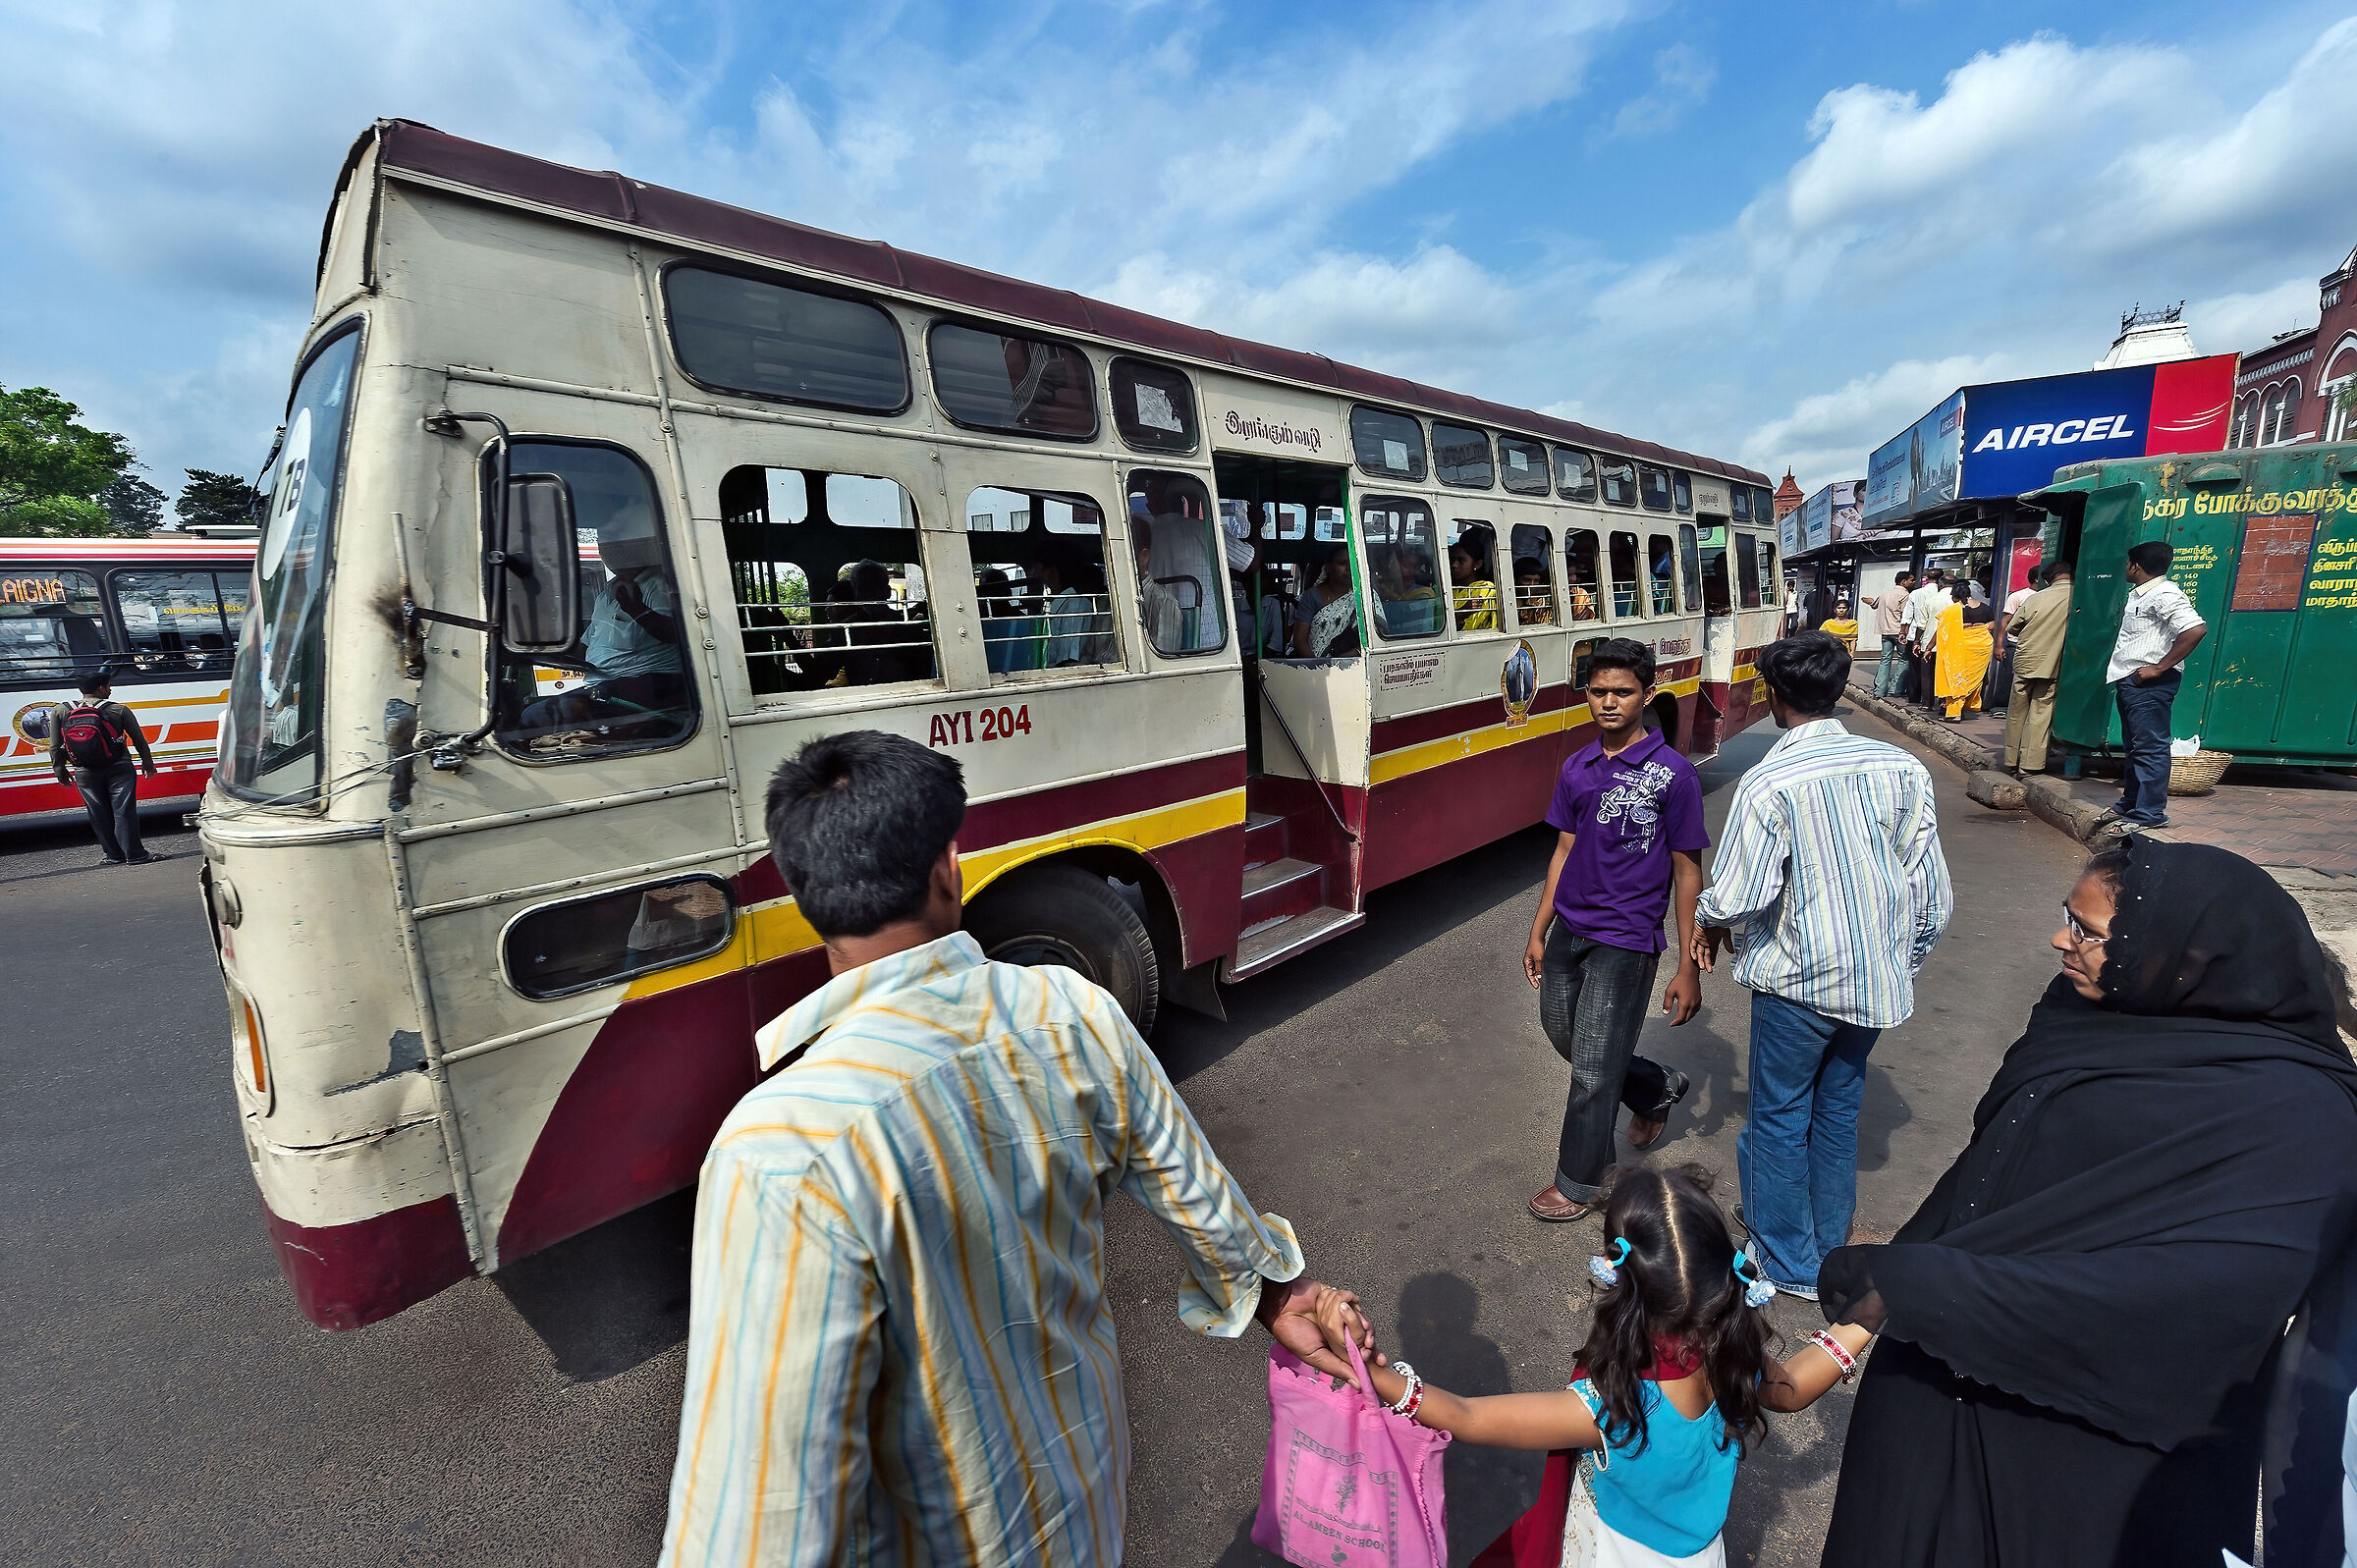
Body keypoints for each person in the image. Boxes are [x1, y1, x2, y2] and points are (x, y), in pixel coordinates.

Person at [662, 731, 1368, 1565]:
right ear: (948, 865)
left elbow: (756, 1522)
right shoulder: (1074, 1012)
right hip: (1085, 1492)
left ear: (805, 896)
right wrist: (1280, 1292)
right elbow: (1198, 1192)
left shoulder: (782, 1154)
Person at [1816, 839, 2357, 1568]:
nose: (2059, 939)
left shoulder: (2300, 1115)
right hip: (1939, 1387)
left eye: (2089, 931)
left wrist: (1933, 1289)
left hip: (2091, 1453)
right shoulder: (2081, 1016)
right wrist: (1873, 1310)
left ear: (2187, 959)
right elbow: (1986, 1174)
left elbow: (2209, 1298)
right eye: (2068, 915)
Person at [1312, 1167, 1876, 1567]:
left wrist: (1371, 1371)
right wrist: (1873, 1310)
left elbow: (1466, 1416)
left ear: (1619, 1288)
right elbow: (1797, 1385)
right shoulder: (1735, 1362)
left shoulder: (1608, 1406)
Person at [1693, 631, 1952, 1298]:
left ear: (1776, 697)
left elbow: (1741, 893)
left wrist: (1706, 919)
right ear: (1836, 690)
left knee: (1780, 1115)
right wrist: (1900, 961)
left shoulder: (1770, 780)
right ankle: (1827, 1248)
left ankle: (1788, 1262)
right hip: (1873, 986)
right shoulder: (1901, 768)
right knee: (1836, 1113)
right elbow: (1931, 892)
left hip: (1799, 984)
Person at [1524, 638, 1708, 1222]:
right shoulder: (1576, 767)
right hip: (1569, 929)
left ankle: (1582, 1180)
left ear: (1646, 695)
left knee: (1592, 1070)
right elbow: (1562, 851)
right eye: (1598, 691)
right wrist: (1539, 926)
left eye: (1622, 692)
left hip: (1627, 939)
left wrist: (1686, 961)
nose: (1609, 702)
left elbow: (1687, 869)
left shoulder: (1672, 775)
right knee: (1566, 1038)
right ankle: (1654, 1085)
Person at [2096, 540, 2207, 836]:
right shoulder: (2142, 594)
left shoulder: (2164, 594)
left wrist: (2158, 668)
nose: (2125, 568)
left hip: (2150, 683)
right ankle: (2132, 802)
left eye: (2127, 563)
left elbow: (2195, 630)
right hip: (2132, 679)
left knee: (2150, 748)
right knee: (2135, 747)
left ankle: (2149, 812)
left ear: (2135, 565)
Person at [49, 670, 158, 865]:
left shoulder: (60, 710)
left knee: (97, 813)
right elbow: (139, 740)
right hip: (119, 767)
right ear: (100, 688)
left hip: (84, 771)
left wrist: (60, 771)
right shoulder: (118, 710)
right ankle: (135, 855)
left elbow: (55, 746)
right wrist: (147, 763)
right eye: (108, 686)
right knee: (124, 812)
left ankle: (114, 856)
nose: (110, 690)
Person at [2001, 562, 2072, 776]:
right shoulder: (2079, 597)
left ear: (2049, 579)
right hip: (2052, 663)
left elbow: (2013, 626)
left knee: (2016, 713)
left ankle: (2011, 760)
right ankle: (2030, 764)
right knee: (2040, 714)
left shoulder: (2035, 598)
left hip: (2026, 660)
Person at [1931, 580, 1995, 723]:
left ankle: (1954, 712)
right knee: (1973, 679)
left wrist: (1928, 648)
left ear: (1954, 596)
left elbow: (1941, 631)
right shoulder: (1985, 608)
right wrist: (1980, 628)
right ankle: (1961, 708)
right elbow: (1992, 625)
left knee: (1956, 678)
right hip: (1982, 648)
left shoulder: (1952, 610)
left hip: (1960, 648)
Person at [1289, 544, 1356, 657]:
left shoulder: (1363, 596)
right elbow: (1300, 640)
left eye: (1353, 563)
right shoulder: (1311, 596)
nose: (1349, 569)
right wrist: (1319, 666)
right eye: (1342, 563)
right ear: (1328, 567)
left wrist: (1348, 656)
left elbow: (1377, 634)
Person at [1904, 568, 1946, 706]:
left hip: (1920, 636)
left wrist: (1905, 633)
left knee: (1918, 671)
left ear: (1926, 578)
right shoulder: (1950, 598)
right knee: (1939, 671)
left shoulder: (1916, 593)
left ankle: (1919, 699)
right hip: (1944, 638)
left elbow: (1908, 617)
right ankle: (1940, 699)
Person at [1871, 572, 1916, 697]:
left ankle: (1880, 690)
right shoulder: (1905, 595)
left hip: (1885, 632)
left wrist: (1869, 601)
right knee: (1904, 659)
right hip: (1899, 632)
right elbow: (1906, 616)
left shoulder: (1885, 594)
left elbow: (1874, 604)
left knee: (1885, 660)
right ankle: (1897, 689)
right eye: (1911, 580)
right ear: (1903, 582)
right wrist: (1905, 633)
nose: (1913, 582)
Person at [1450, 525, 1501, 631]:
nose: (1454, 565)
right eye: (1452, 559)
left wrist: (1464, 612)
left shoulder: (1485, 590)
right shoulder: (1449, 588)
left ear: (1477, 564)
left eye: (1461, 560)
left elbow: (1469, 629)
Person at [1513, 556, 1556, 625]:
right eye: (1527, 580)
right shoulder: (1510, 600)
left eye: (1536, 581)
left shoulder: (1542, 602)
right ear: (1516, 580)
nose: (1532, 585)